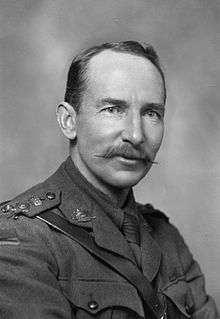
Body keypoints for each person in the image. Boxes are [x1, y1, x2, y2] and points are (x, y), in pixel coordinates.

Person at [0, 41, 218, 319]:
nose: (136, 135)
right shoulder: (19, 238)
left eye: (151, 113)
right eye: (114, 109)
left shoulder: (167, 238)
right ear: (69, 121)